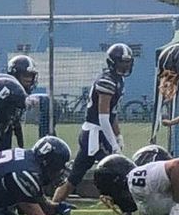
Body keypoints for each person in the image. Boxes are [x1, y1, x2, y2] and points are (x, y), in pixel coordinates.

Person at [56, 42, 132, 203]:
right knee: (119, 173)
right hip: (95, 134)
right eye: (122, 62)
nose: (125, 65)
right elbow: (103, 117)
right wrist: (114, 144)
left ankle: (53, 206)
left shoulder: (117, 79)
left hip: (96, 134)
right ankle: (127, 214)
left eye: (127, 62)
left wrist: (118, 136)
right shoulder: (107, 81)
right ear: (112, 62)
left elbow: (112, 113)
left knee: (74, 178)